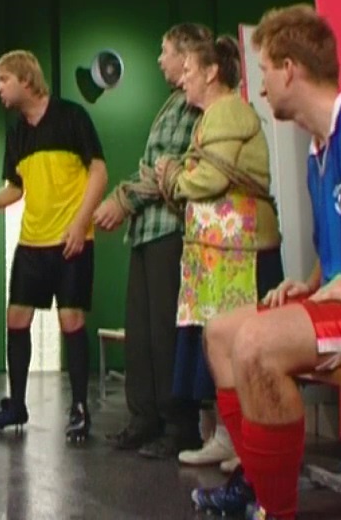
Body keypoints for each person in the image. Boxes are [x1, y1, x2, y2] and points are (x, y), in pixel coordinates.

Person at [191, 4, 341, 520]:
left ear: (289, 68)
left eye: (263, 72)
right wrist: (308, 284)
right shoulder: (318, 151)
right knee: (220, 334)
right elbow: (340, 249)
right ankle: (256, 482)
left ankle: (275, 511)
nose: (259, 88)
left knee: (257, 343)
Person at [0, 50, 108, 441]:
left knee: (71, 321)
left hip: (72, 239)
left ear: (26, 80)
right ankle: (17, 406)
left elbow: (99, 171)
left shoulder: (72, 116)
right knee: (16, 320)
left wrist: (81, 223)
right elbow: (15, 187)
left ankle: (80, 408)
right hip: (32, 242)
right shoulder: (17, 133)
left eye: (3, 80)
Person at [156, 34, 283, 468]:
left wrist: (174, 177)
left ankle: (246, 441)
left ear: (212, 73)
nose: (183, 79)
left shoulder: (227, 110)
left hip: (240, 252)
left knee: (237, 346)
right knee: (215, 345)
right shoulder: (211, 116)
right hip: (217, 254)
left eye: (189, 70)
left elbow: (208, 179)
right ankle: (226, 437)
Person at [93, 23, 210, 457]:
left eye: (165, 51)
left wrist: (123, 199)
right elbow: (153, 168)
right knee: (141, 333)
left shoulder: (194, 106)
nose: (160, 60)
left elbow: (170, 168)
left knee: (165, 332)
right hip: (147, 231)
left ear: (186, 55)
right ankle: (144, 419)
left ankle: (178, 426)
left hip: (170, 230)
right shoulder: (173, 102)